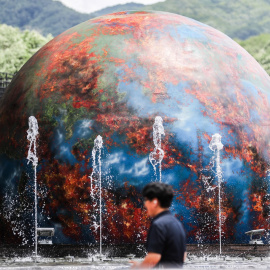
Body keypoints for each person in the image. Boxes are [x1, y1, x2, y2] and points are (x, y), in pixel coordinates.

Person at [131, 182, 186, 269]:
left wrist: (138, 267)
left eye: (146, 200)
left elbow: (153, 258)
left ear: (155, 202)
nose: (145, 204)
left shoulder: (158, 225)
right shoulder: (177, 223)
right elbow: (183, 255)